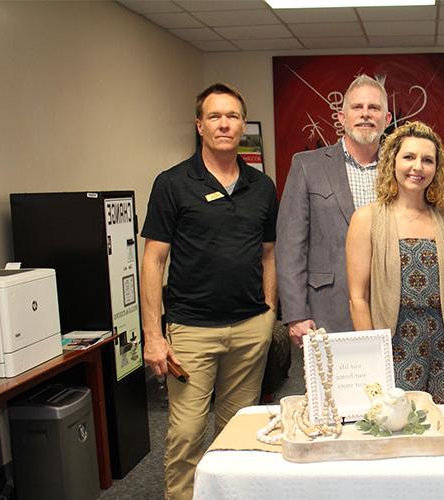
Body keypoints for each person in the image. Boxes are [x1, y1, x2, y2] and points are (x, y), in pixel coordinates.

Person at [140, 83, 278, 499]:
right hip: (192, 330)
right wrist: (153, 335)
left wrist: (269, 310)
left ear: (243, 127)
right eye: (215, 116)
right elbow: (152, 261)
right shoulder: (173, 183)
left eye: (233, 116)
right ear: (200, 125)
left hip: (250, 328)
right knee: (186, 433)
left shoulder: (263, 187)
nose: (224, 124)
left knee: (238, 432)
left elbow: (268, 254)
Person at [346, 121, 444, 404]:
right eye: (409, 157)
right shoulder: (366, 219)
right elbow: (358, 298)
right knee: (399, 426)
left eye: (427, 160)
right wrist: (371, 361)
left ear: (436, 168)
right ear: (393, 161)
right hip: (394, 344)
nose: (418, 167)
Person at [277, 74, 392, 346]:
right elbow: (290, 245)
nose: (365, 114)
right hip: (326, 309)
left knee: (391, 388)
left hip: (390, 306)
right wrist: (295, 314)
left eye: (374, 108)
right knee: (331, 387)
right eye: (357, 107)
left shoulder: (401, 168)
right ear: (341, 117)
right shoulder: (307, 165)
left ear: (387, 120)